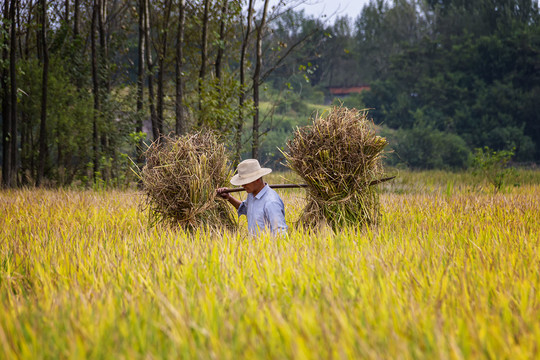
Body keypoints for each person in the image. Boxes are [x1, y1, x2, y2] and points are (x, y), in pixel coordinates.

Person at [217, 159, 288, 235]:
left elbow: (280, 232)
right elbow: (246, 208)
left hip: (267, 246)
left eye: (245, 182)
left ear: (257, 179)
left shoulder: (271, 202)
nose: (242, 186)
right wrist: (229, 197)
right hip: (253, 246)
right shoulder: (251, 195)